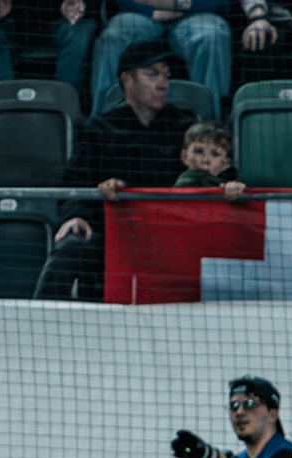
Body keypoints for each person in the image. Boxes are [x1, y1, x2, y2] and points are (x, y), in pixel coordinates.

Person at [34, 40, 196, 301]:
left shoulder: (187, 125)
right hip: (112, 235)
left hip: (171, 233)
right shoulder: (98, 128)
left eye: (166, 75)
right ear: (128, 80)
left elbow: (211, 172)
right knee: (70, 247)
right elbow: (76, 181)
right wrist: (76, 216)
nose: (163, 83)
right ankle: (41, 330)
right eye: (152, 74)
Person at [89, 0, 230, 114]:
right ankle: (101, 122)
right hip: (139, 14)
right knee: (112, 38)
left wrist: (177, 4)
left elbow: (222, 3)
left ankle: (212, 127)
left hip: (198, 13)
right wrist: (151, 11)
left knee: (212, 37)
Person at [0, 0, 97, 92]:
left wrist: (78, 5)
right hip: (6, 27)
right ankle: (2, 106)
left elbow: (96, 9)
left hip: (55, 25)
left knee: (83, 29)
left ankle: (65, 105)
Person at [173, 120, 247, 194]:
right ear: (185, 156)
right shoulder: (185, 182)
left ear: (225, 163)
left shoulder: (236, 182)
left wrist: (238, 194)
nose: (205, 160)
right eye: (198, 151)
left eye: (215, 154)